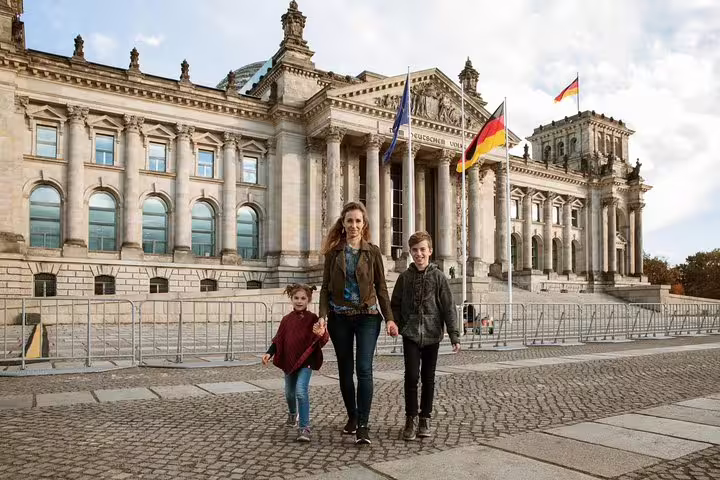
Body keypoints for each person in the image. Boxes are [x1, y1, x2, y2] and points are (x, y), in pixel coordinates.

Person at [319, 201, 396, 445]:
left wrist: (390, 319)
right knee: (345, 370)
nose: (353, 225)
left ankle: (363, 424)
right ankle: (352, 416)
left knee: (364, 369)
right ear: (342, 224)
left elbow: (381, 287)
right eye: (349, 220)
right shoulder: (333, 253)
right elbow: (324, 289)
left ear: (364, 225)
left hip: (367, 317)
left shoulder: (372, 252)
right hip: (339, 318)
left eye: (358, 221)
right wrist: (322, 315)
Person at [390, 231, 461, 441]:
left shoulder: (439, 277)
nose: (419, 254)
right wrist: (396, 324)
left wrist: (454, 335)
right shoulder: (404, 277)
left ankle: (425, 418)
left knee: (428, 378)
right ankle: (410, 418)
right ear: (410, 252)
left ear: (430, 251)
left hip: (432, 334)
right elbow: (395, 304)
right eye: (415, 250)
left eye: (422, 249)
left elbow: (448, 307)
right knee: (411, 377)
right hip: (411, 334)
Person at [262, 284, 329, 443]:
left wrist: (321, 333)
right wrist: (269, 353)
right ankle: (292, 413)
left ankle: (304, 427)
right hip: (288, 360)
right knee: (289, 393)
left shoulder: (313, 318)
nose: (299, 301)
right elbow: (279, 339)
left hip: (306, 361)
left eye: (303, 298)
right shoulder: (286, 320)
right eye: (296, 298)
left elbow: (323, 338)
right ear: (291, 299)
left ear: (309, 300)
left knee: (300, 391)